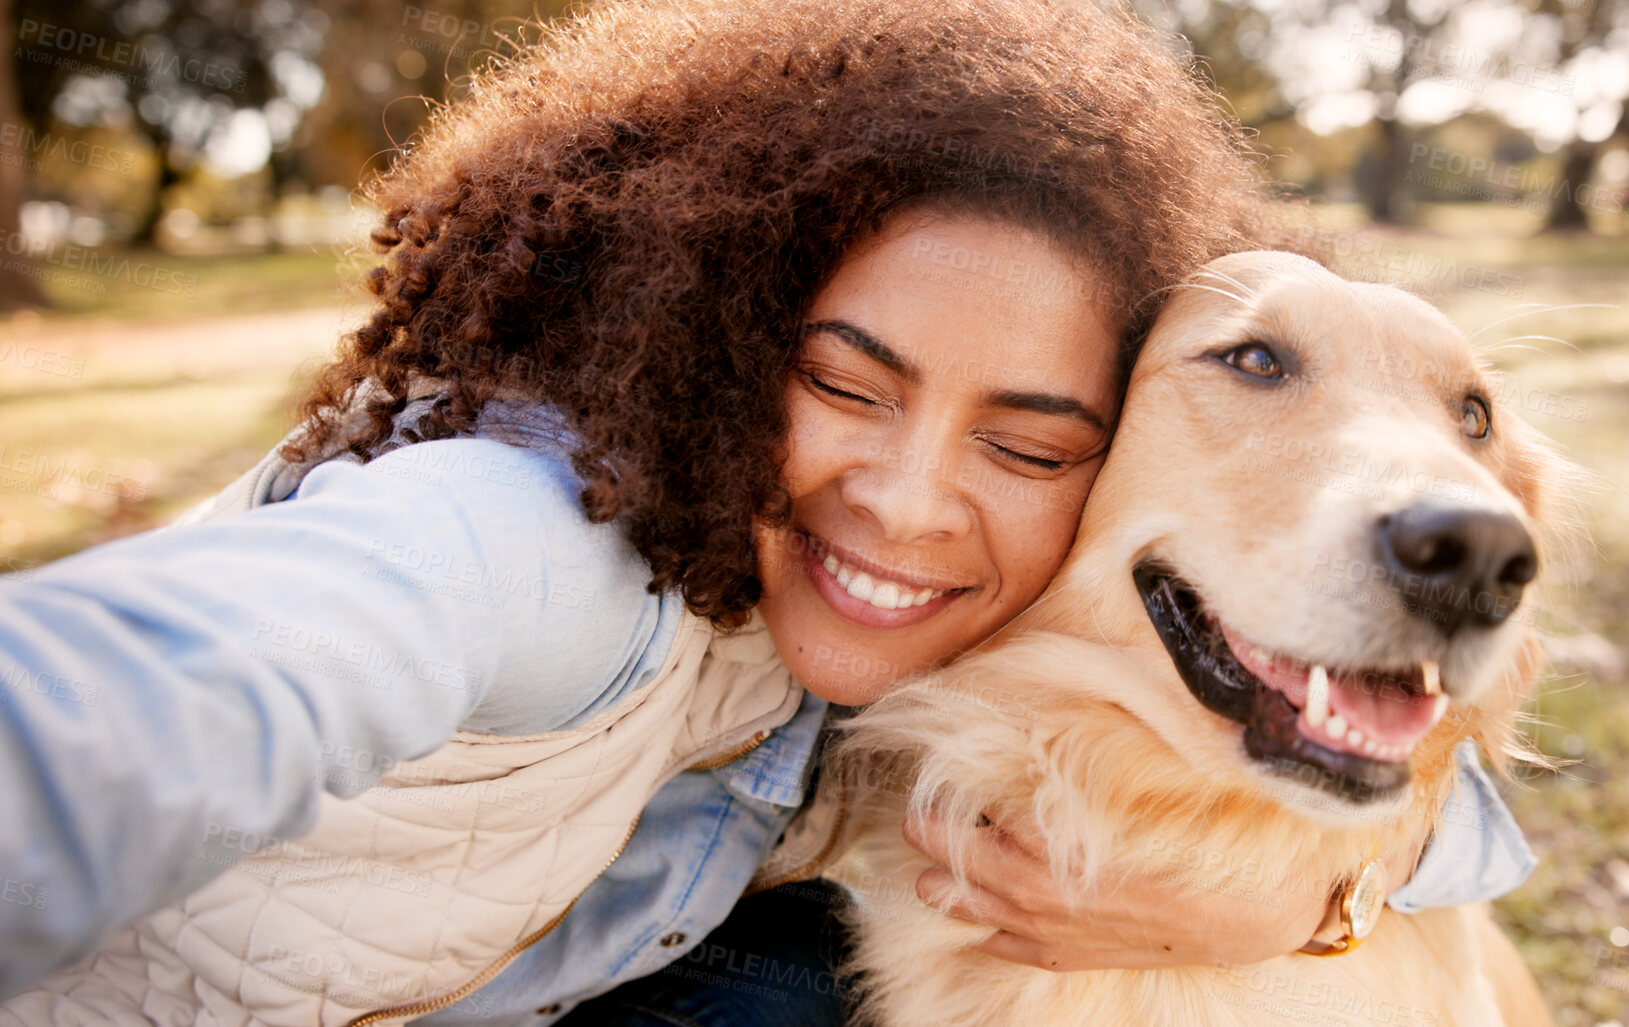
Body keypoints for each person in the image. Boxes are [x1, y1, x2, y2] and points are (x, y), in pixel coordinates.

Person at [0, 0, 1534, 1024]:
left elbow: (1437, 787)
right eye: (848, 384)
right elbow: (143, 699)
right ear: (719, 325)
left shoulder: (947, 633)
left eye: (1026, 437)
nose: (919, 504)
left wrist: (1315, 890)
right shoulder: (528, 539)